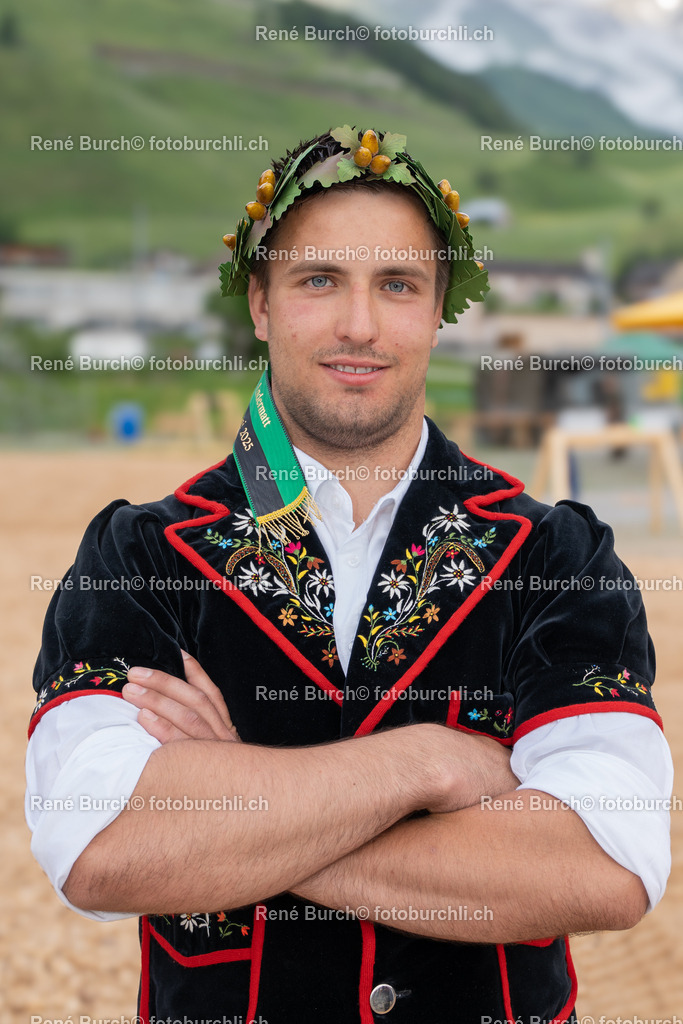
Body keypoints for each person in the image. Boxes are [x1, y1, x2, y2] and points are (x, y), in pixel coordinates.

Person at [26, 127, 672, 1024]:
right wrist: (428, 764)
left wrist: (234, 806)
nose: (359, 326)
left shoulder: (556, 558)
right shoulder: (137, 559)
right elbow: (95, 842)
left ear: (439, 306)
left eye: (396, 285)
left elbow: (606, 864)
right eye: (319, 280)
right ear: (259, 301)